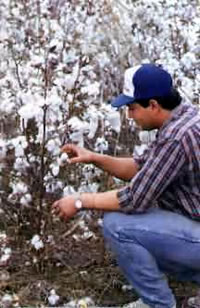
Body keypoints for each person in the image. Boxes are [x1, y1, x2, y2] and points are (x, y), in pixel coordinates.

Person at [52, 64, 200, 308]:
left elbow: (134, 199)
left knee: (119, 226)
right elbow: (144, 167)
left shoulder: (177, 137)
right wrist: (95, 158)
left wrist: (79, 201)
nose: (130, 116)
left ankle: (159, 305)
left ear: (153, 105)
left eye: (132, 108)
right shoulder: (185, 118)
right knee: (147, 227)